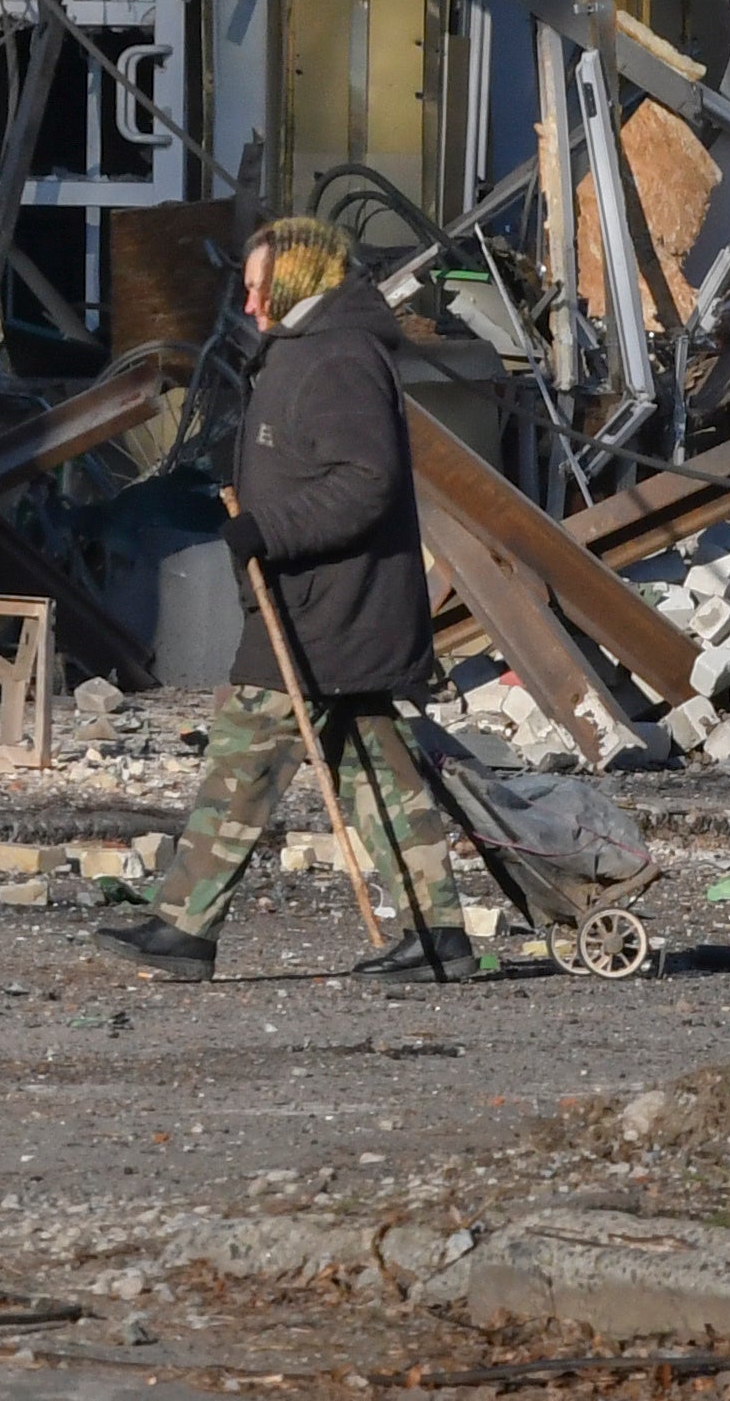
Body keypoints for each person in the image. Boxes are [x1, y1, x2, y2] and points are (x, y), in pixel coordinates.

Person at [97, 213, 474, 982]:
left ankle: (184, 927)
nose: (248, 306)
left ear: (297, 283)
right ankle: (438, 936)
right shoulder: (308, 350)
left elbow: (365, 484)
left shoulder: (337, 359)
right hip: (323, 606)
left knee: (243, 753)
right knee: (373, 773)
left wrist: (265, 529)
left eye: (259, 290)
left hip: (325, 609)